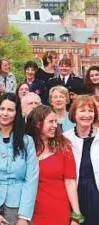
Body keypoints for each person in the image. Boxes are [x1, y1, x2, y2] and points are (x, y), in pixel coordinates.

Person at [0, 93, 38, 225]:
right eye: (2, 109)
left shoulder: (27, 141)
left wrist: (24, 217)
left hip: (19, 204)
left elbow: (31, 179)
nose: (5, 113)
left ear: (17, 113)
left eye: (10, 110)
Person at [26, 105, 82, 225]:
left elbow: (70, 182)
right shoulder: (26, 147)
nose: (55, 125)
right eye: (51, 121)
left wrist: (76, 216)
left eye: (56, 121)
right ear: (38, 124)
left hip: (58, 209)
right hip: (30, 211)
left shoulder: (64, 147)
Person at [64, 95, 99, 225]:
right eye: (82, 110)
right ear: (74, 113)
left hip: (96, 194)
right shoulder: (65, 139)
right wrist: (75, 215)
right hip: (75, 195)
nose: (87, 115)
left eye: (90, 111)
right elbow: (67, 179)